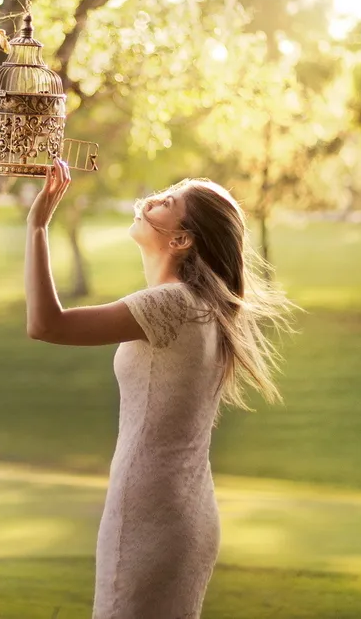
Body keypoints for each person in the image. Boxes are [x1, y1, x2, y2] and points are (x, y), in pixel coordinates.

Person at [24, 158, 296, 619]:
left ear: (181, 239)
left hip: (149, 511)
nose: (150, 199)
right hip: (182, 511)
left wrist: (37, 228)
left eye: (167, 201)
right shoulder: (200, 306)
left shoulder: (172, 304)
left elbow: (46, 325)